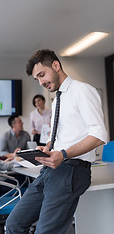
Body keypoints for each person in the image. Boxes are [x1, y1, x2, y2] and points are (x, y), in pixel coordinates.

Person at [6, 49, 107, 234]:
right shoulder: (56, 100)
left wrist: (64, 154)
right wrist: (49, 147)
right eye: (37, 79)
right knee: (13, 224)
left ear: (56, 65)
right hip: (51, 170)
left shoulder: (82, 90)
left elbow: (100, 134)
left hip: (72, 169)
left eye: (42, 75)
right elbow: (64, 134)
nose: (41, 82)